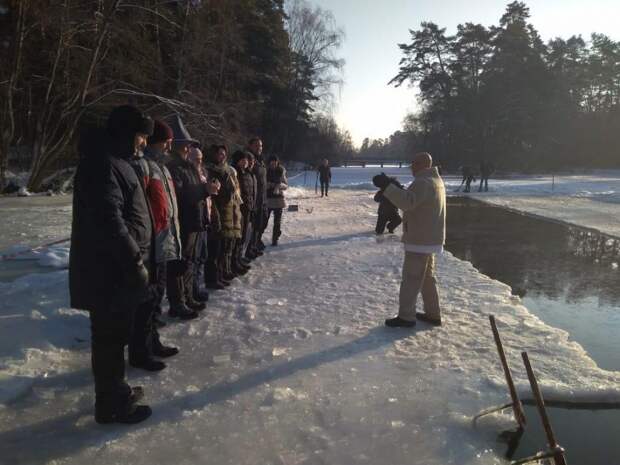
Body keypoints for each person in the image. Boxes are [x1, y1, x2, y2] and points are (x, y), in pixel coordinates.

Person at [70, 104, 154, 424]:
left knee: (115, 336)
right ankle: (111, 403)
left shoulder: (117, 161)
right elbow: (110, 220)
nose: (143, 142)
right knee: (108, 338)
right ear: (125, 133)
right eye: (140, 136)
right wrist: (134, 258)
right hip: (109, 271)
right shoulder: (102, 163)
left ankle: (116, 391)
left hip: (117, 270)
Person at [128, 119, 182, 372]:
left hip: (164, 242)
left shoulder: (164, 169)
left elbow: (169, 209)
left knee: (156, 297)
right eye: (166, 143)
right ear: (153, 142)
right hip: (149, 245)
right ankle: (140, 351)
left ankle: (153, 341)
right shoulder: (142, 167)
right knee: (145, 302)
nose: (169, 148)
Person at [373, 152, 446, 328]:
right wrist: (390, 185)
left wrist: (387, 187)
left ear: (422, 164)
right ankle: (433, 313)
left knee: (411, 279)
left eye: (414, 163)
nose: (411, 167)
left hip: (420, 240)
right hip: (431, 238)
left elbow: (407, 203)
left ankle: (406, 317)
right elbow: (414, 200)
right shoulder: (436, 181)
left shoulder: (423, 182)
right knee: (427, 278)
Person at [166, 115, 216, 318]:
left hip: (194, 221)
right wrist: (205, 190)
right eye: (185, 145)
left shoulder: (188, 167)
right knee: (181, 265)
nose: (188, 148)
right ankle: (178, 303)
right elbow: (181, 196)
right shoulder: (175, 168)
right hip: (184, 223)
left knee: (191, 262)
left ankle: (187, 297)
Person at [232, 150, 255, 269]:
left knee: (244, 234)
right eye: (243, 159)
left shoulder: (247, 173)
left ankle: (239, 258)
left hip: (247, 207)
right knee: (238, 236)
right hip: (238, 209)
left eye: (246, 159)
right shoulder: (235, 173)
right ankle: (234, 261)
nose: (245, 161)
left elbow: (250, 192)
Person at [247, 137, 267, 254]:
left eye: (260, 146)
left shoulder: (261, 160)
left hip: (262, 198)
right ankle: (249, 248)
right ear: (250, 146)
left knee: (260, 223)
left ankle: (255, 244)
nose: (259, 148)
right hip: (254, 198)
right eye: (256, 146)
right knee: (253, 225)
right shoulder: (249, 159)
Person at [265, 155, 288, 246]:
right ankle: (257, 239)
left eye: (275, 161)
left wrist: (279, 186)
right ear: (269, 162)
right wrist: (270, 185)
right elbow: (262, 184)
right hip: (268, 199)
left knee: (277, 221)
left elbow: (286, 185)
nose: (273, 163)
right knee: (264, 221)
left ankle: (275, 239)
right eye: (272, 161)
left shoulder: (281, 171)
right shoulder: (266, 171)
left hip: (278, 200)